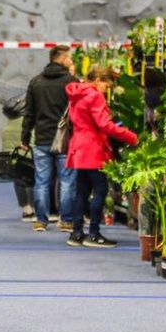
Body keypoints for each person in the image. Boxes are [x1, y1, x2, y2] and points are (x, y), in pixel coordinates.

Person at [65, 66, 138, 248]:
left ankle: (76, 233)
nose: (107, 88)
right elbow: (104, 125)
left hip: (79, 147)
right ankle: (94, 234)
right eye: (106, 84)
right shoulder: (95, 96)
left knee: (82, 191)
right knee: (100, 190)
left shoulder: (77, 94)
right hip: (93, 149)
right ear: (98, 80)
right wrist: (130, 136)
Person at [22, 45, 77, 232]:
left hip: (42, 138)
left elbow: (29, 113)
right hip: (65, 139)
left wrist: (24, 137)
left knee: (42, 181)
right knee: (67, 181)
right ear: (62, 59)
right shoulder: (71, 82)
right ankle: (67, 221)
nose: (71, 61)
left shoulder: (35, 82)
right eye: (69, 58)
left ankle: (41, 221)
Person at [2, 94, 35, 221]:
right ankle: (34, 208)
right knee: (33, 181)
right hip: (29, 157)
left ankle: (26, 209)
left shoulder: (8, 125)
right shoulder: (29, 123)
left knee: (19, 181)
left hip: (13, 158)